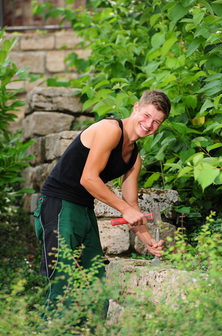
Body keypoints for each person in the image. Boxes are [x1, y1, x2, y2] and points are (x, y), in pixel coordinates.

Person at [34, 89, 171, 314]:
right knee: (64, 286)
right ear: (136, 107)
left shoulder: (134, 159)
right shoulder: (110, 129)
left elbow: (132, 206)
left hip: (83, 211)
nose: (149, 125)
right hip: (59, 206)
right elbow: (88, 178)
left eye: (156, 122)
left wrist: (148, 241)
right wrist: (124, 209)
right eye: (146, 116)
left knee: (95, 290)